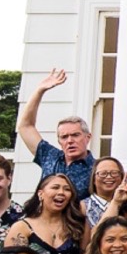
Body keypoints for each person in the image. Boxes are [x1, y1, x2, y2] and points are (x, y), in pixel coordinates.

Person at [17, 69, 95, 198]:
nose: (70, 140)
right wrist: (40, 90)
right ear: (59, 141)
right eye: (64, 137)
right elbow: (25, 127)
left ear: (88, 137)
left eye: (75, 135)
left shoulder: (96, 169)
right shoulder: (49, 156)